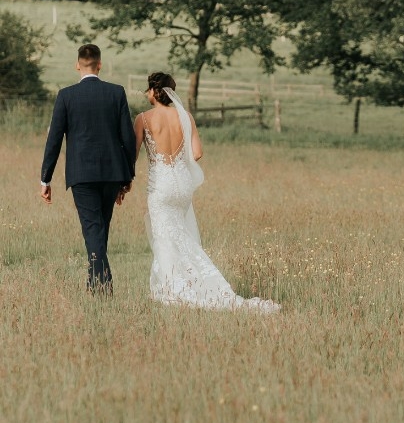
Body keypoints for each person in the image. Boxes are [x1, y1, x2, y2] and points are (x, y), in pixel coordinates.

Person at [136, 72, 279, 313]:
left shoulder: (143, 118)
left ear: (153, 90)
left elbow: (132, 153)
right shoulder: (185, 117)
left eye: (147, 89)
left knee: (165, 238)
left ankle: (175, 289)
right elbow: (197, 153)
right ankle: (182, 283)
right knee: (179, 235)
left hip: (161, 184)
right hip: (182, 185)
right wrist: (177, 159)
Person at [40, 44, 135, 294]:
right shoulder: (116, 93)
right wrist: (127, 176)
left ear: (77, 65)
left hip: (82, 175)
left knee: (93, 229)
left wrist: (45, 180)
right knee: (100, 228)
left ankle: (102, 288)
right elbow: (128, 137)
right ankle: (96, 285)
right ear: (100, 65)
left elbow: (54, 140)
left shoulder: (66, 95)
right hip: (113, 173)